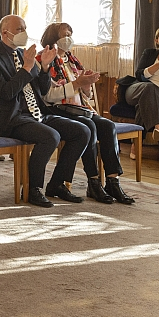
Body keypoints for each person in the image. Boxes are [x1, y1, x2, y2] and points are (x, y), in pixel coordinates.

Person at [0, 15, 90, 208]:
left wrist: (45, 67)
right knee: (50, 137)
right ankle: (33, 188)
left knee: (82, 131)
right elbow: (6, 93)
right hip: (11, 118)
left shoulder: (24, 55)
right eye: (19, 29)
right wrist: (26, 68)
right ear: (5, 32)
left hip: (37, 113)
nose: (24, 32)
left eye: (25, 28)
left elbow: (42, 89)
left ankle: (56, 184)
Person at [38, 22, 135, 205]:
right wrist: (77, 83)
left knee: (108, 125)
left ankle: (113, 181)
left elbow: (85, 96)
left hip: (79, 108)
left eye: (70, 34)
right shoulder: (43, 59)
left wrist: (87, 85)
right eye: (65, 34)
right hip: (56, 109)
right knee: (88, 126)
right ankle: (93, 181)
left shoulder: (72, 60)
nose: (68, 38)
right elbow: (48, 96)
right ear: (53, 37)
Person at [124, 26, 159, 146]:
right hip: (137, 89)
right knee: (150, 87)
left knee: (144, 102)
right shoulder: (149, 53)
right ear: (156, 41)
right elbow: (139, 74)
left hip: (158, 95)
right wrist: (158, 65)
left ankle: (136, 145)